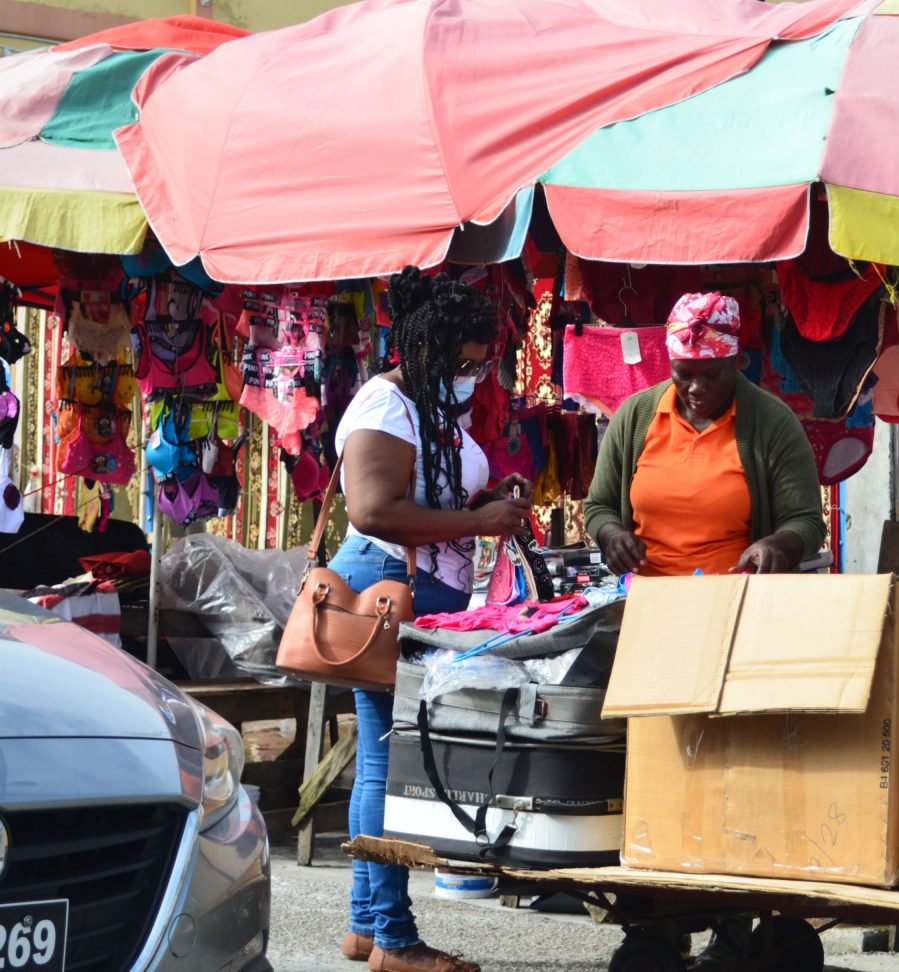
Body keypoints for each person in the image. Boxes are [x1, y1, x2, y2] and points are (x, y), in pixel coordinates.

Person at [331, 267, 531, 972]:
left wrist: (492, 497)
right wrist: (475, 519)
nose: (476, 376)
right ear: (428, 351)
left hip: (413, 592)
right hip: (389, 589)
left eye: (482, 364)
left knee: (380, 763)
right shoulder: (386, 405)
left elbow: (439, 494)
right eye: (467, 363)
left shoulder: (428, 408)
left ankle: (366, 926)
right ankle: (394, 940)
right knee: (390, 765)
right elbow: (374, 510)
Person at [585, 291, 826, 579]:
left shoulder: (773, 423)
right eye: (684, 375)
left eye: (712, 375)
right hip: (647, 597)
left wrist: (781, 544)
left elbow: (806, 521)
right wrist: (612, 536)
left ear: (735, 363)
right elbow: (599, 506)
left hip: (736, 599)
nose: (696, 388)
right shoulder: (634, 417)